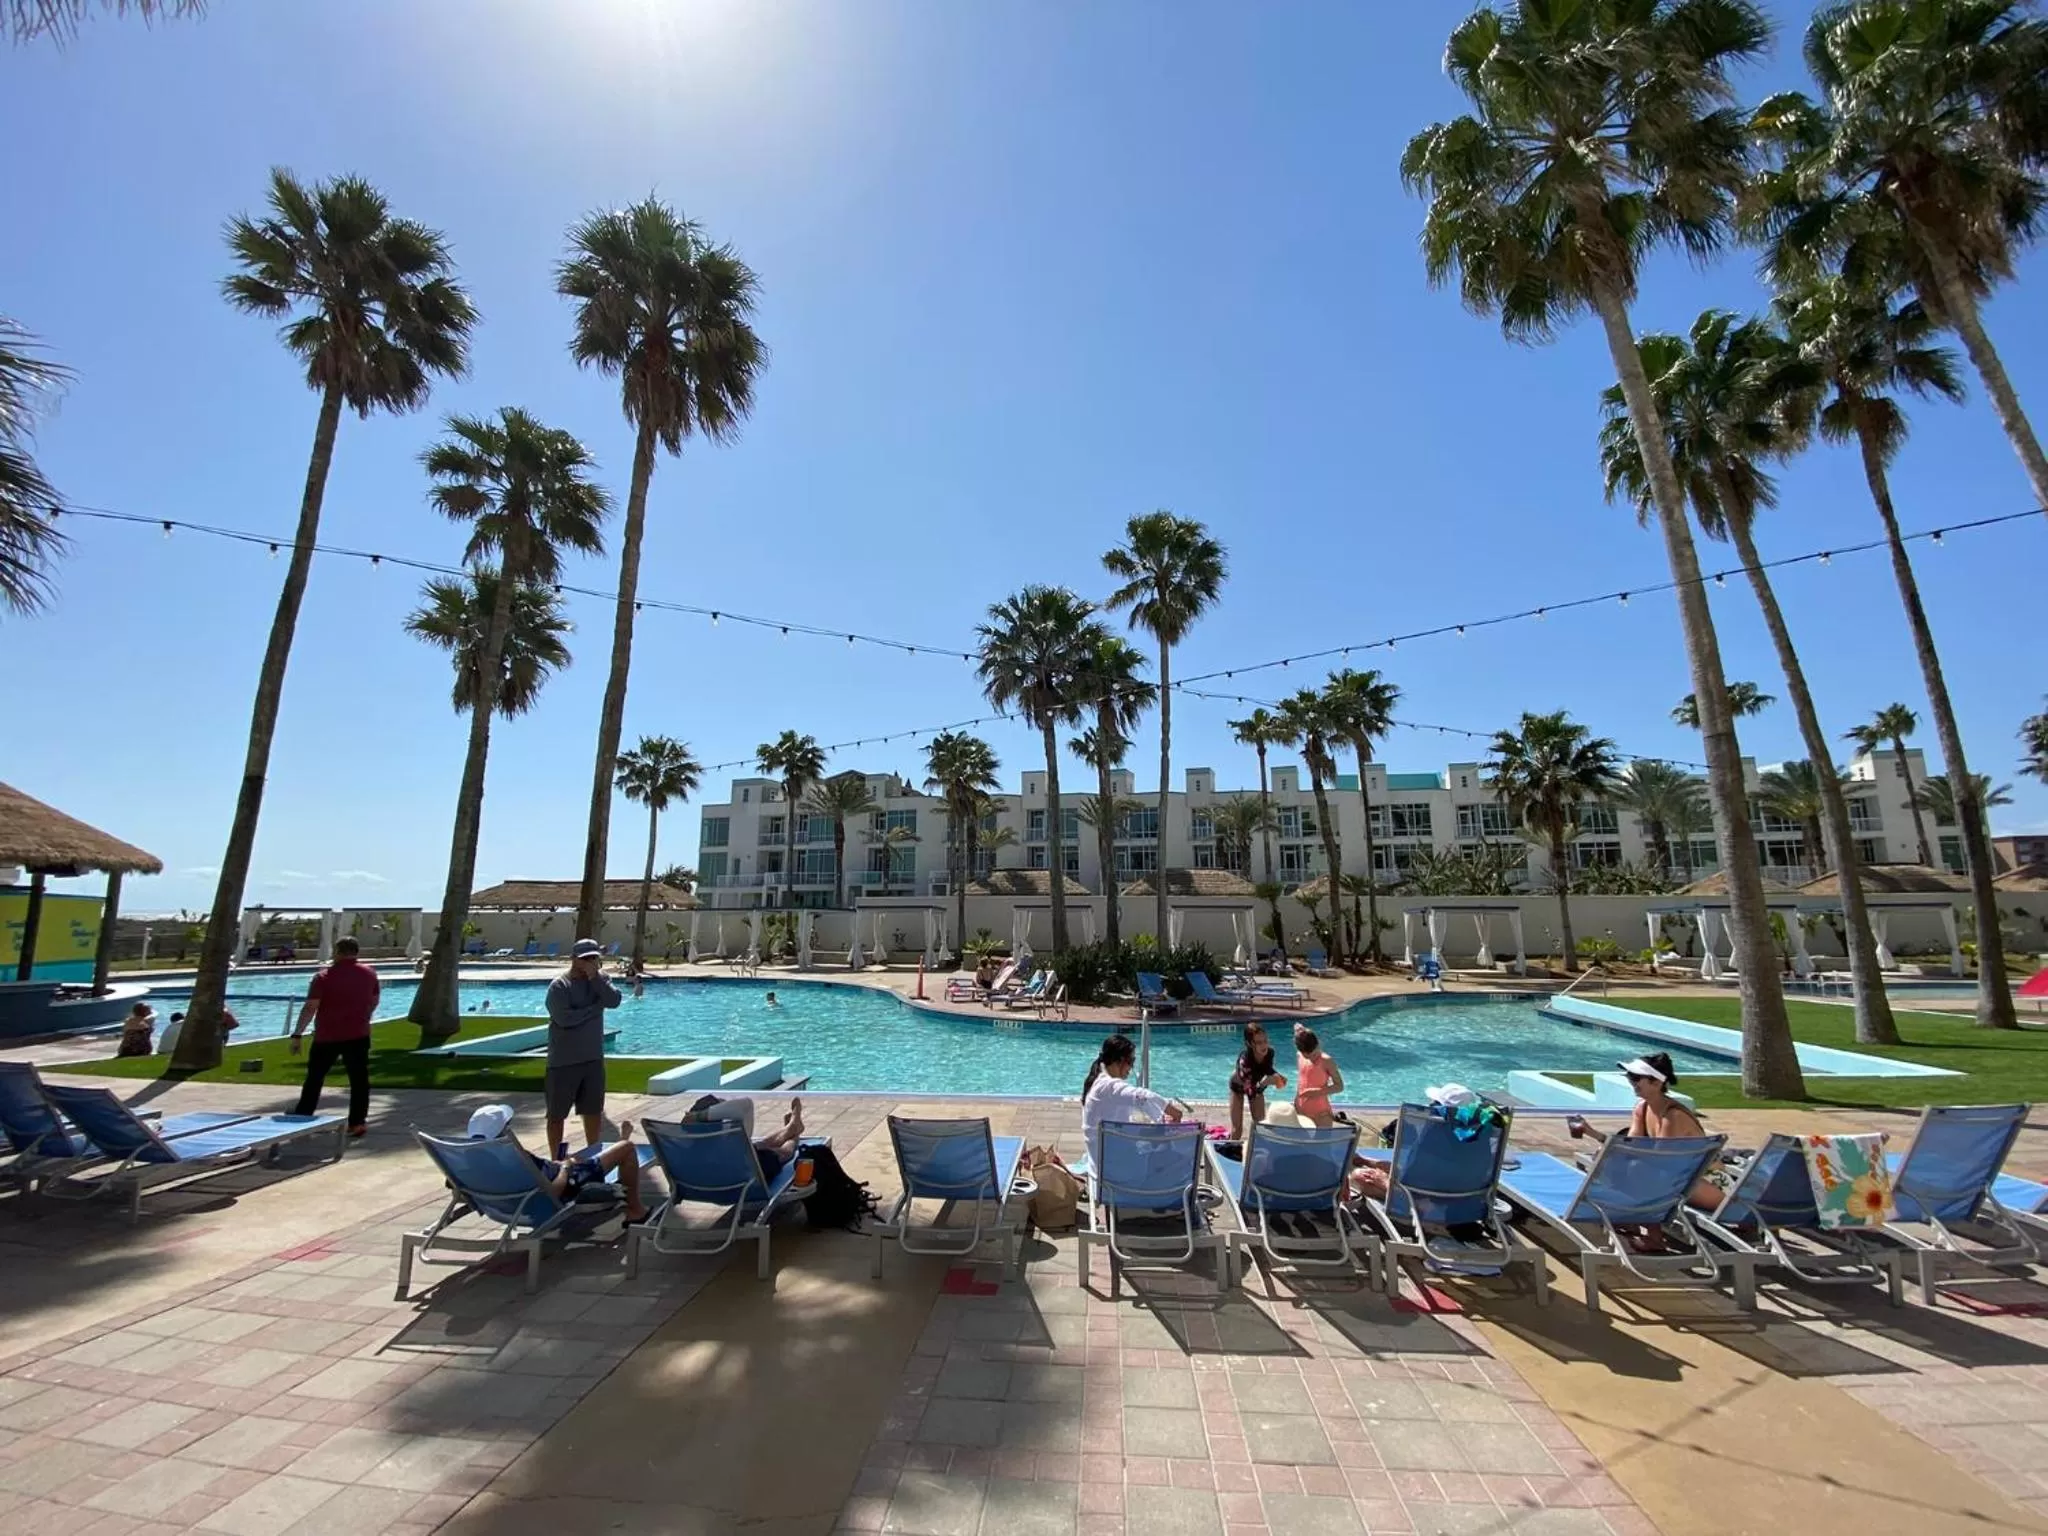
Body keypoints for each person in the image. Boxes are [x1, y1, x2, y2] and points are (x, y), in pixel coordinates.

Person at [1567, 1053, 1728, 1233]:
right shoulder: (1642, 1108)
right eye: (1630, 1077)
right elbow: (1631, 1146)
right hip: (1680, 1178)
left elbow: (1657, 1161)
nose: (1631, 1082)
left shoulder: (1673, 1116)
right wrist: (1593, 1134)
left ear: (1657, 1082)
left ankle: (1650, 1233)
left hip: (1708, 1181)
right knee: (1614, 1162)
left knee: (1641, 1172)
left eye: (1636, 1078)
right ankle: (1631, 1220)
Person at [464, 1103, 648, 1223]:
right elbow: (552, 1192)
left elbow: (462, 1192)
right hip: (568, 1182)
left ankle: (612, 1150)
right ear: (503, 1132)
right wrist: (565, 1168)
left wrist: (557, 1165)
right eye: (508, 1126)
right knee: (627, 1147)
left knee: (575, 1157)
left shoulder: (469, 1162)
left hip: (510, 1204)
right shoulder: (515, 1160)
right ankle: (635, 1210)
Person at [291, 936, 379, 1138]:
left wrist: (297, 1034)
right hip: (358, 1034)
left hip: (327, 1035)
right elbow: (374, 1001)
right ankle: (357, 1122)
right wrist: (363, 1017)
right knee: (359, 1080)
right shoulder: (369, 974)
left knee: (315, 1078)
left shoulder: (323, 977)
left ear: (337, 952)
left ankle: (303, 1116)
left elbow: (311, 1007)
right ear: (356, 952)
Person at [546, 938, 621, 1154]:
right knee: (556, 1114)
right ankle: (556, 1157)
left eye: (593, 958)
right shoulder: (560, 986)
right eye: (585, 958)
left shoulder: (601, 981)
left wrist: (595, 978)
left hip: (593, 1059)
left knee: (593, 1111)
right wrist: (594, 1010)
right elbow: (564, 1019)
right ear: (573, 960)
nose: (590, 962)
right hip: (563, 1061)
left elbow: (614, 1000)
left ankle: (593, 1152)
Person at [1080, 1033, 1184, 1165]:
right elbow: (1144, 1097)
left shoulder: (1098, 1082)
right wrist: (1174, 1112)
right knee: (1177, 1158)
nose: (1131, 1068)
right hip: (1119, 1170)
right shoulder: (1108, 1087)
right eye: (1132, 1061)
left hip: (1103, 1163)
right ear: (1121, 1060)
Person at [683, 1095, 808, 1183]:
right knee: (783, 1153)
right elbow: (745, 1105)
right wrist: (698, 1116)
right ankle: (794, 1133)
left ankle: (790, 1128)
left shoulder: (684, 1149)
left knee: (759, 1145)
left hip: (711, 1175)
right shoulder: (732, 1153)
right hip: (741, 1177)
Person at [1228, 1022, 1288, 1139]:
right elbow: (1250, 1089)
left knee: (1260, 1125)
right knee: (1237, 1130)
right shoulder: (1244, 1061)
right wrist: (1266, 1082)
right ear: (1249, 1044)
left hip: (1256, 1085)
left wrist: (1277, 1077)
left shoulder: (1270, 1053)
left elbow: (1266, 1068)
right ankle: (1230, 1150)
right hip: (1238, 1086)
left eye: (1265, 1041)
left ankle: (1257, 1151)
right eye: (1259, 1042)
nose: (1264, 1045)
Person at [1292, 1025, 1344, 1128]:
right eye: (1308, 1056)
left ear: (1318, 1044)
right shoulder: (1300, 1056)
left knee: (1322, 1142)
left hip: (1321, 1113)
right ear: (1301, 1052)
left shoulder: (1326, 1061)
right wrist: (1296, 1102)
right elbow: (1301, 1081)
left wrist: (1317, 1092)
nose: (1313, 1058)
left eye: (1315, 1054)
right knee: (1303, 1142)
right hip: (1301, 1109)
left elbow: (1339, 1086)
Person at [158, 1007, 238, 1058]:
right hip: (174, 1052)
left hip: (162, 1050)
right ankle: (221, 1045)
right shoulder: (192, 1023)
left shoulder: (172, 1026)